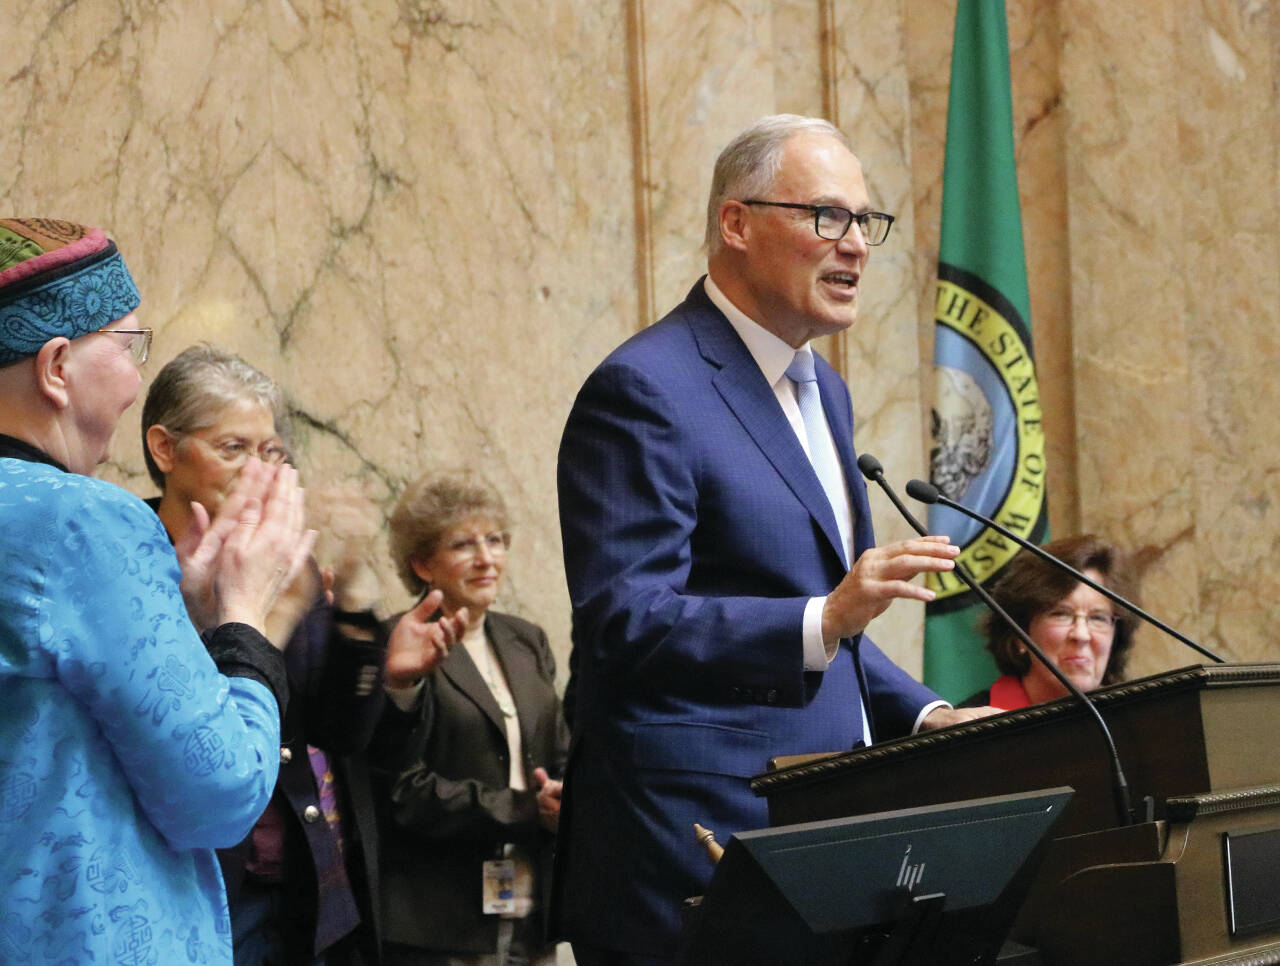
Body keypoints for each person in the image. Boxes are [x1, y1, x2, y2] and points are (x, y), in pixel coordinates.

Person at [554, 115, 994, 964]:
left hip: (822, 837)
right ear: (737, 224)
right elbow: (626, 620)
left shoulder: (823, 391)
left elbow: (829, 623)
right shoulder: (646, 388)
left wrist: (925, 712)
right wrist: (824, 619)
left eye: (866, 221)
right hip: (692, 845)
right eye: (826, 216)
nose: (857, 245)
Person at [0, 218, 310, 964]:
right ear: (56, 367)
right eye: (130, 345)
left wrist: (192, 621)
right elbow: (221, 794)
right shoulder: (81, 520)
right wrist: (244, 617)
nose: (140, 380)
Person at [142, 344, 459, 966]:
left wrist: (355, 599)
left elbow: (339, 729)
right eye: (233, 449)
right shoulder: (130, 553)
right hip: (190, 888)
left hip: (306, 887)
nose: (258, 472)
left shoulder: (289, 559)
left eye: (273, 454)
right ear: (164, 449)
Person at [378, 472, 570, 966]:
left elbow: (558, 748)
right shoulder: (397, 645)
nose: (487, 558)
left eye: (495, 540)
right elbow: (404, 788)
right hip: (440, 921)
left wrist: (564, 794)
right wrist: (523, 808)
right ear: (423, 564)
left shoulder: (526, 639)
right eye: (464, 544)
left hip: (530, 907)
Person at [960, 535, 1138, 711]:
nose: (1081, 635)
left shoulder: (1139, 723)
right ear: (1018, 635)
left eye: (1098, 618)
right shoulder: (966, 728)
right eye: (1061, 614)